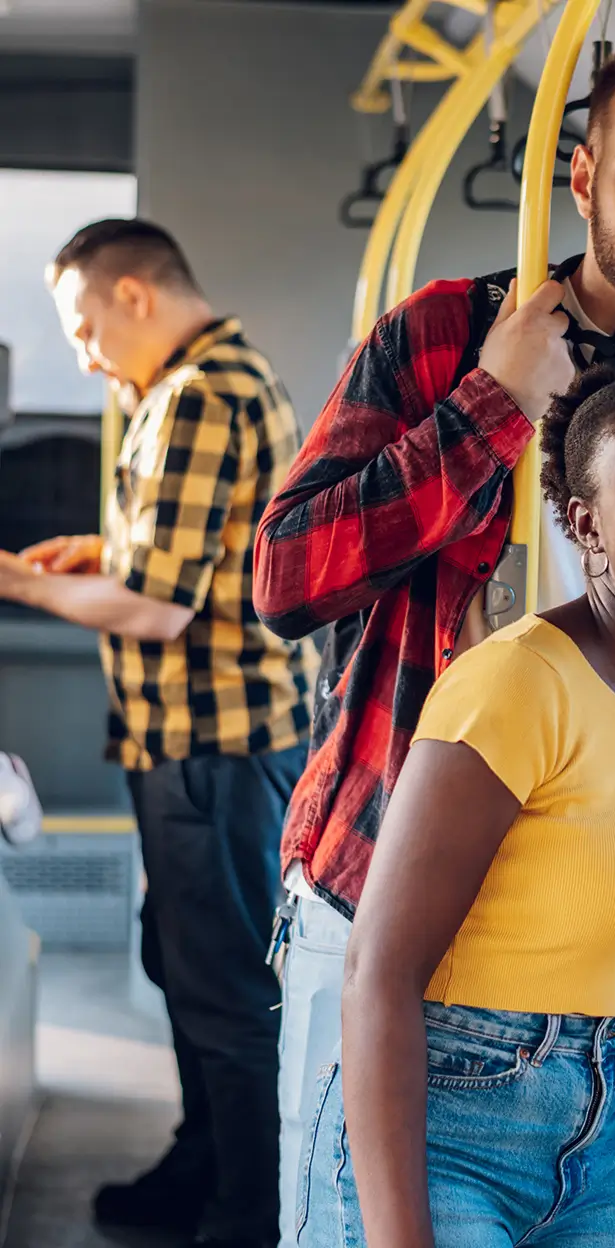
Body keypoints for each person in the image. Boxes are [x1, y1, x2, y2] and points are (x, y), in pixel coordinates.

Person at [252, 33, 615, 1248]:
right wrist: (489, 408)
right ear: (582, 177)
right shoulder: (449, 335)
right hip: (388, 911)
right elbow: (288, 581)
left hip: (594, 978)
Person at [298, 363, 615, 1247]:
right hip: (445, 1127)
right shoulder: (518, 683)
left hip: (597, 1136)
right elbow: (377, 974)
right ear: (584, 523)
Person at [0, 218, 314, 1248]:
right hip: (203, 745)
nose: (86, 356)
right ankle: (203, 1169)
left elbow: (157, 607)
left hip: (215, 748)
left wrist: (13, 581)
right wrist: (98, 550)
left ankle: (247, 1216)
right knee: (189, 972)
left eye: (86, 329)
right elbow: (197, 552)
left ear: (134, 296)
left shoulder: (196, 396)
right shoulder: (208, 379)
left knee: (225, 994)